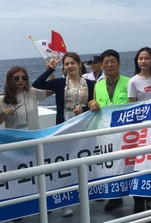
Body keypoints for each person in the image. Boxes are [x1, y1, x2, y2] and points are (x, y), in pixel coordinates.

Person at [33, 53, 96, 217]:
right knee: (64, 166)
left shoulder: (91, 84)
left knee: (84, 163)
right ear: (63, 67)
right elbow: (37, 84)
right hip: (63, 128)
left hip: (84, 128)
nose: (69, 66)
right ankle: (65, 203)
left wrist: (85, 109)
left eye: (72, 63)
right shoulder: (59, 83)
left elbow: (96, 105)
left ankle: (86, 195)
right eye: (66, 64)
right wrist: (50, 69)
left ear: (80, 64)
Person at [87, 49, 130, 212]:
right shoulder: (97, 85)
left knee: (130, 164)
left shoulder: (129, 82)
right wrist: (91, 103)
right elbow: (95, 103)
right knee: (110, 165)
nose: (109, 64)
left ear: (119, 63)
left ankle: (139, 197)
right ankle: (115, 197)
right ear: (101, 65)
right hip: (106, 133)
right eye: (106, 62)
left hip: (127, 132)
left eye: (113, 61)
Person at [127, 47, 151, 213]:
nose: (143, 61)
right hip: (142, 131)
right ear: (137, 61)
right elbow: (132, 107)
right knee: (141, 165)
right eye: (140, 58)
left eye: (147, 58)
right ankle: (139, 202)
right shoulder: (133, 81)